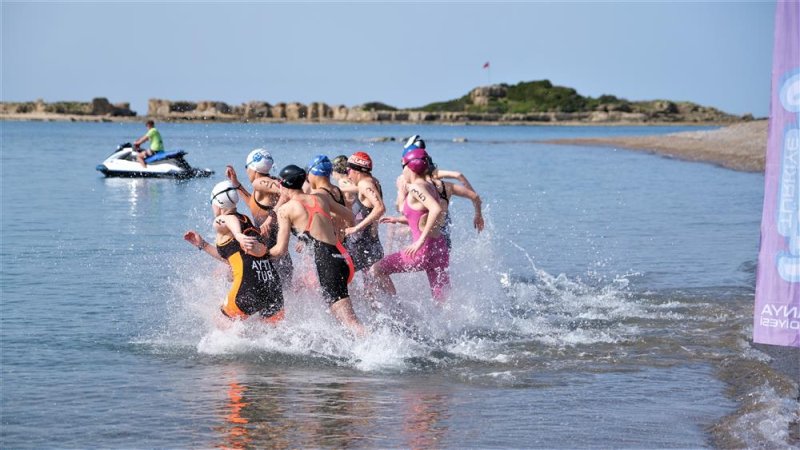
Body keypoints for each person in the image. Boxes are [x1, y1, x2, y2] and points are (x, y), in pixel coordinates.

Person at [270, 165, 366, 337]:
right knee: (342, 316)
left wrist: (257, 254)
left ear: (282, 185)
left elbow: (280, 250)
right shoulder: (321, 197)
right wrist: (340, 234)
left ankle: (378, 350)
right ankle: (359, 351)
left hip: (328, 263)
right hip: (343, 256)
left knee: (350, 322)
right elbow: (350, 217)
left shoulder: (286, 210)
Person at [184, 180, 284, 323]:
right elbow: (235, 259)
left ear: (217, 202)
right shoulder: (246, 220)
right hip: (272, 286)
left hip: (248, 288)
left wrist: (238, 235)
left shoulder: (221, 221)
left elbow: (227, 220)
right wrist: (203, 245)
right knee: (274, 339)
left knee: (221, 328)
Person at [373, 149, 450, 302]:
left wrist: (420, 241)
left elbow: (436, 209)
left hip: (423, 250)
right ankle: (452, 324)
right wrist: (399, 220)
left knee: (377, 269)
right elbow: (423, 217)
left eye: (403, 167)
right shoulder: (431, 186)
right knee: (441, 299)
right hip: (439, 248)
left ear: (410, 167)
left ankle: (398, 312)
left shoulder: (416, 188)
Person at [227, 148, 293, 288]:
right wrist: (237, 184)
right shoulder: (265, 185)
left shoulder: (259, 183)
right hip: (279, 256)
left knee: (232, 273)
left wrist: (271, 217)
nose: (246, 171)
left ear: (253, 168)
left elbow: (286, 192)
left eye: (246, 168)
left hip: (269, 254)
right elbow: (255, 206)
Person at [343, 151, 386, 294]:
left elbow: (380, 208)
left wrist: (356, 228)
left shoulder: (364, 185)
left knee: (338, 275)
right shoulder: (373, 181)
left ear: (356, 170)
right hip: (372, 244)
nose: (348, 175)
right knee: (371, 287)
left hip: (361, 245)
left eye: (349, 170)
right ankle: (395, 308)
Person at [306, 155, 354, 242]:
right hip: (342, 244)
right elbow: (350, 219)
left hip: (326, 245)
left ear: (314, 173)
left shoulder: (318, 195)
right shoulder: (339, 191)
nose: (308, 177)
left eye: (308, 173)